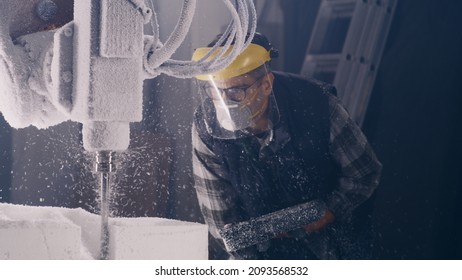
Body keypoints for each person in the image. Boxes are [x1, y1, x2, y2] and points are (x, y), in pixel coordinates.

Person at [191, 32, 382, 260]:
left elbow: (364, 173)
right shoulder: (206, 126)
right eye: (216, 91)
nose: (225, 101)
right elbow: (220, 219)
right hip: (261, 256)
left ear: (266, 84)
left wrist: (328, 211)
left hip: (333, 247)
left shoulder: (318, 106)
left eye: (237, 91)